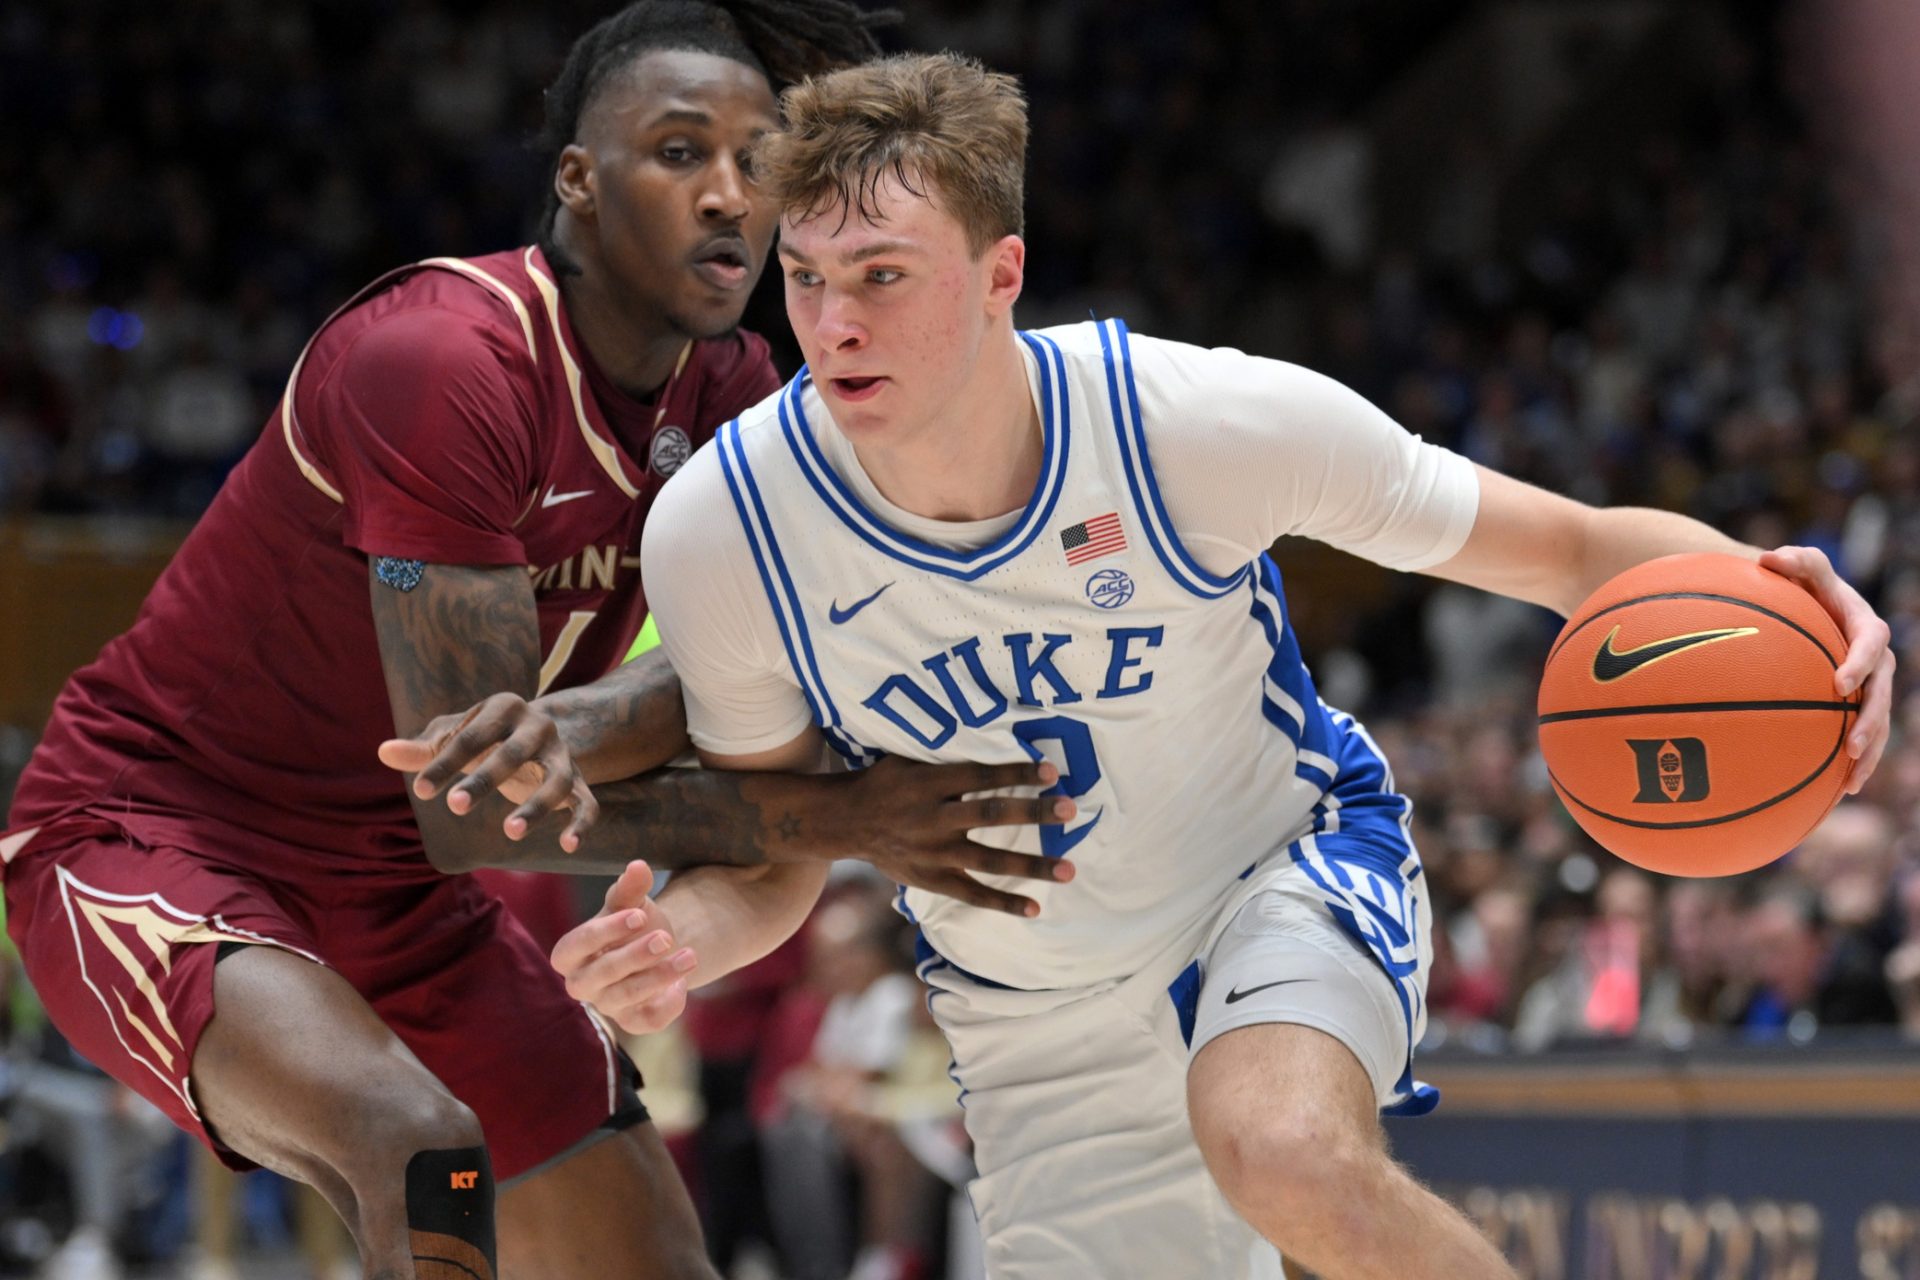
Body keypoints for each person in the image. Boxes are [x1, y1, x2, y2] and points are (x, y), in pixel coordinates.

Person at [408, 53, 1896, 1280]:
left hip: (1277, 868)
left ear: (1002, 275)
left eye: (880, 272)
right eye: (803, 279)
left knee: (1280, 1147)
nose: (834, 323)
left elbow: (1569, 552)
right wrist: (687, 944)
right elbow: (780, 840)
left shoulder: (1195, 426)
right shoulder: (728, 530)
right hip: (1030, 1009)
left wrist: (1793, 598)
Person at [0, 13, 1084, 1279]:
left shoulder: (735, 395)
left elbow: (696, 684)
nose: (732, 193)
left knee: (651, 1256)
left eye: (758, 156)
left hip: (396, 884)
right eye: (681, 152)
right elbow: (476, 804)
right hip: (164, 833)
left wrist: (606, 727)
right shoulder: (441, 358)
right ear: (578, 179)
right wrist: (850, 816)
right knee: (421, 1150)